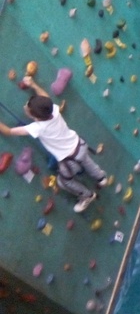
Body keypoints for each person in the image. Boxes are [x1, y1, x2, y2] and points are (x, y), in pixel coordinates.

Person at [0, 77, 108, 213]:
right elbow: (46, 97)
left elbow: (9, 131)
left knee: (64, 182)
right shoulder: (54, 111)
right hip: (79, 145)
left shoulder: (37, 128)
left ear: (36, 117)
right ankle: (101, 178)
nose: (25, 106)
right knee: (87, 162)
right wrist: (33, 84)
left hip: (69, 161)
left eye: (27, 108)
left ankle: (87, 196)